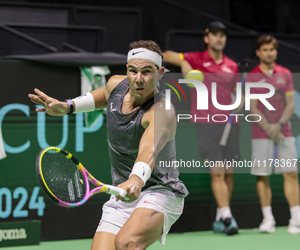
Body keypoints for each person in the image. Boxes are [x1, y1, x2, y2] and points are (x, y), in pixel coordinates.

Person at [29, 40, 189, 249]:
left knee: (126, 243)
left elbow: (148, 151)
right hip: (121, 190)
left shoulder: (162, 111)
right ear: (127, 70)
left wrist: (136, 179)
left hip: (160, 191)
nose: (138, 79)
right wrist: (68, 106)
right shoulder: (117, 84)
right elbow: (105, 94)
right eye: (133, 71)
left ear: (160, 73)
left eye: (147, 72)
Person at [162, 21, 241, 235]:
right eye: (214, 34)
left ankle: (220, 215)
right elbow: (166, 55)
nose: (219, 38)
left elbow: (237, 92)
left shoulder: (232, 65)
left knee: (229, 173)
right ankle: (227, 216)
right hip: (207, 123)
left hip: (230, 124)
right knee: (217, 172)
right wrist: (187, 67)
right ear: (207, 38)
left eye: (222, 35)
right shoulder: (195, 58)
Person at [247, 35, 300, 234]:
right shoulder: (253, 76)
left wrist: (278, 125)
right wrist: (269, 127)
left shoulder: (285, 74)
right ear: (258, 52)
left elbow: (291, 104)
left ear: (275, 52)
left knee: (291, 174)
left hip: (284, 132)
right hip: (261, 134)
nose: (269, 53)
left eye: (272, 49)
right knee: (263, 176)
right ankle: (267, 219)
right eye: (265, 49)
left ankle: (296, 219)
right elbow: (253, 107)